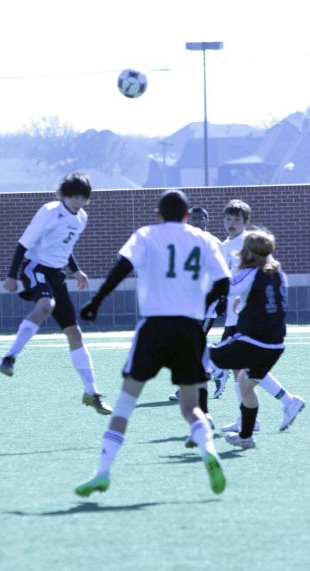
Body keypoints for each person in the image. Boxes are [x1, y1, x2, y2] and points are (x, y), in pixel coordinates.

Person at [74, 189, 231, 498]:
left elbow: (121, 268)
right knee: (191, 408)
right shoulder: (205, 240)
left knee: (124, 405)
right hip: (189, 328)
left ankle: (103, 472)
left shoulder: (146, 234)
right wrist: (202, 302)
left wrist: (97, 300)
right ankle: (208, 451)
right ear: (189, 216)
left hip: (154, 326)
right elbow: (224, 283)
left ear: (158, 214)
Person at [0, 172, 112, 415]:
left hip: (56, 275)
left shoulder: (81, 218)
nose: (77, 201)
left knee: (75, 333)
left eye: (82, 197)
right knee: (45, 305)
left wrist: (76, 271)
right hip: (34, 267)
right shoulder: (50, 211)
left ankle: (91, 393)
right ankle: (9, 357)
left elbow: (64, 246)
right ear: (64, 194)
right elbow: (24, 243)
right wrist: (12, 276)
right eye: (73, 195)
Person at [210, 229, 305, 448]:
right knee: (245, 383)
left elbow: (228, 288)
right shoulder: (278, 272)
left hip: (253, 341)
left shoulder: (252, 272)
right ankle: (246, 437)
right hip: (276, 344)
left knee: (204, 353)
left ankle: (212, 372)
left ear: (248, 254)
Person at [168, 205, 221, 407]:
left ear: (208, 221)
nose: (197, 221)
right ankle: (213, 371)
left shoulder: (215, 243)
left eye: (201, 218)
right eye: (194, 218)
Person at [211, 199, 252, 401]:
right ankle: (247, 416)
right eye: (228, 218)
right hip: (232, 308)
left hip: (244, 308)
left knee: (232, 358)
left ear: (246, 221)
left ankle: (217, 370)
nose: (231, 222)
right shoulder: (225, 244)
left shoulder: (248, 242)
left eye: (236, 219)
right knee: (239, 364)